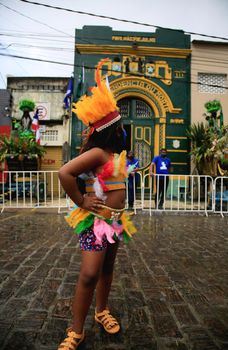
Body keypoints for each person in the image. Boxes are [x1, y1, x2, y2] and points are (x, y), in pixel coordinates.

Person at [57, 59, 137, 350]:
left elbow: (112, 183)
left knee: (107, 268)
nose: (123, 132)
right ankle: (76, 331)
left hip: (115, 220)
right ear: (112, 130)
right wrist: (80, 200)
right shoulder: (99, 152)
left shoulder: (114, 154)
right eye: (120, 128)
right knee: (90, 274)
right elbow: (64, 172)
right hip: (97, 221)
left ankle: (101, 311)